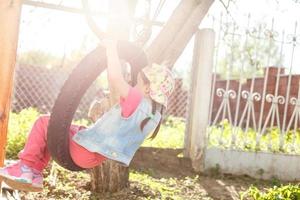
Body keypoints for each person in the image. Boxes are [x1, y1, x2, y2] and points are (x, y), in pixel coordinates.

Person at [0, 40, 175, 192]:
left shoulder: (136, 98)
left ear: (147, 89)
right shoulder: (155, 116)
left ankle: (26, 167)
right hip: (94, 157)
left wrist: (111, 48)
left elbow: (115, 77)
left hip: (83, 150)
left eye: (137, 83)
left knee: (44, 123)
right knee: (62, 131)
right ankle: (35, 174)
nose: (132, 85)